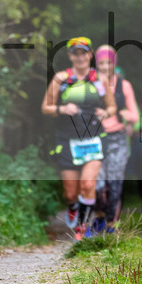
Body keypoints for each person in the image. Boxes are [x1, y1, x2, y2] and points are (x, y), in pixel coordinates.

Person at [42, 37, 117, 241]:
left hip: (93, 139)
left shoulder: (99, 79)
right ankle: (73, 206)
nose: (80, 57)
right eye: (75, 53)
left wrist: (105, 112)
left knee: (87, 184)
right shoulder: (60, 79)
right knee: (70, 192)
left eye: (83, 52)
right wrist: (62, 108)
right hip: (67, 140)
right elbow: (45, 107)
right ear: (70, 56)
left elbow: (112, 107)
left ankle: (82, 227)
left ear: (90, 55)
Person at [93, 46, 140, 233]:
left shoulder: (124, 86)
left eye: (109, 63)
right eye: (102, 63)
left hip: (117, 139)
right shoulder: (91, 84)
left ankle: (111, 223)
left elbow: (134, 116)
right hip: (95, 138)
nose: (105, 67)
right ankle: (99, 216)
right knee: (96, 184)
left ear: (114, 64)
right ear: (96, 64)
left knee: (114, 182)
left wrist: (116, 112)